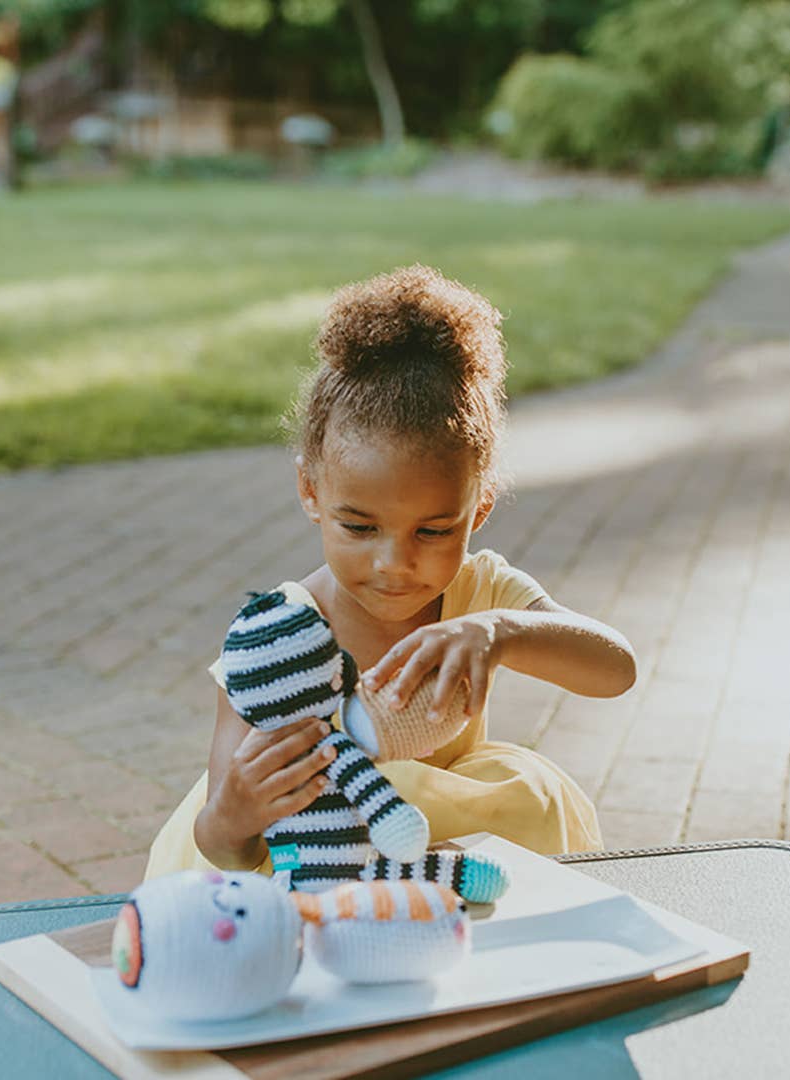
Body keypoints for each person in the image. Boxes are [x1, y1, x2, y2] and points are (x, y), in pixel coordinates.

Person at [144, 265, 636, 880]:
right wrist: (238, 812)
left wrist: (502, 631)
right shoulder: (279, 637)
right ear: (310, 491)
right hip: (312, 864)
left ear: (477, 507)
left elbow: (616, 671)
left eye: (433, 531)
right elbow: (225, 850)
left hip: (436, 847)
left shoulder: (482, 594)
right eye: (359, 527)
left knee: (529, 789)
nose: (395, 563)